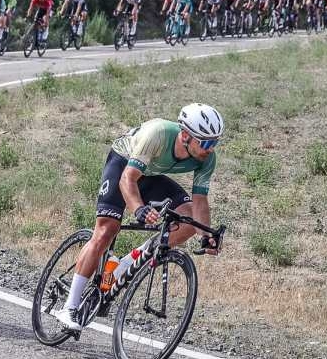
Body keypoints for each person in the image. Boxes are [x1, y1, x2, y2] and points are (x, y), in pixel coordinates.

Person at [54, 103, 224, 331]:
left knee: (188, 220)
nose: (210, 149)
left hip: (151, 174)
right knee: (106, 231)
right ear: (185, 135)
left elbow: (200, 202)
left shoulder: (207, 159)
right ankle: (70, 306)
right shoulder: (158, 133)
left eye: (215, 143)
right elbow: (128, 179)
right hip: (123, 165)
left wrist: (206, 234)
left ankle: (126, 265)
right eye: (206, 143)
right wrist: (139, 209)